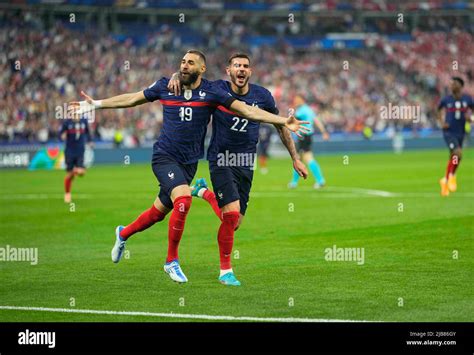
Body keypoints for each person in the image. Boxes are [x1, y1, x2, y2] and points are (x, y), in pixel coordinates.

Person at [67, 50, 309, 284]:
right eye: (182, 62)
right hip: (167, 156)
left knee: (160, 213)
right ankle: (173, 260)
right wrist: (96, 104)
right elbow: (133, 98)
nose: (184, 65)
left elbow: (247, 111)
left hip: (196, 163)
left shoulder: (213, 92)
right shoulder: (166, 85)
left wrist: (284, 123)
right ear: (228, 70)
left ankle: (123, 233)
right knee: (183, 200)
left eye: (190, 62)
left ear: (202, 69)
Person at [168, 53, 308, 286]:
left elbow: (279, 126)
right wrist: (175, 75)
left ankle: (203, 192)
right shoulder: (217, 89)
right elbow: (189, 77)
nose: (241, 70)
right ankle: (225, 271)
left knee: (235, 222)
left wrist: (295, 158)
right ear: (228, 71)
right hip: (220, 158)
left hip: (245, 161)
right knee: (231, 214)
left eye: (245, 66)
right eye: (236, 66)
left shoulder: (262, 96)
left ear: (250, 72)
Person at [437, 77, 473, 196]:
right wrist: (442, 122)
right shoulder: (446, 99)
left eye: (454, 84)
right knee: (457, 153)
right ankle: (451, 176)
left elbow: (472, 111)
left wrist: (471, 117)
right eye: (451, 83)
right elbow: (438, 110)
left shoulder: (467, 99)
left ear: (461, 86)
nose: (451, 86)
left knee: (455, 157)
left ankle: (446, 180)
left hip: (460, 132)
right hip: (449, 132)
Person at [288, 95, 329, 189]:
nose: (295, 101)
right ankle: (294, 182)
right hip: (307, 136)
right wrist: (323, 131)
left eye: (297, 99)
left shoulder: (302, 110)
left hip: (304, 136)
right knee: (300, 158)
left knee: (303, 158)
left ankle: (320, 180)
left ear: (302, 100)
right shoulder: (309, 109)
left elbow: (292, 121)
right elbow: (316, 120)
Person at [60, 116, 92, 203]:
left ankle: (75, 170)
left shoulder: (84, 121)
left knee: (81, 173)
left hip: (80, 151)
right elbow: (61, 134)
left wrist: (90, 141)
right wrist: (63, 135)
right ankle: (67, 194)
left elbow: (88, 133)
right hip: (69, 151)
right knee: (70, 175)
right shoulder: (67, 122)